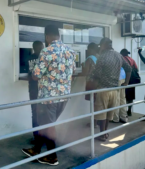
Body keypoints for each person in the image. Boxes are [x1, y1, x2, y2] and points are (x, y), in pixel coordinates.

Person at [22, 25, 76, 166]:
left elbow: (36, 76)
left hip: (48, 97)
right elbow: (73, 72)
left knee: (48, 125)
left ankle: (52, 157)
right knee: (45, 124)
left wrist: (34, 72)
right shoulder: (70, 51)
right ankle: (36, 149)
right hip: (64, 96)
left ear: (46, 37)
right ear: (58, 35)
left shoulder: (46, 51)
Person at [91, 38, 131, 141]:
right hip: (114, 89)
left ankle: (102, 134)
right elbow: (129, 68)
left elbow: (97, 75)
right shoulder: (118, 55)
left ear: (103, 45)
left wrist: (93, 89)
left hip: (103, 89)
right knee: (109, 113)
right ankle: (105, 132)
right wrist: (126, 82)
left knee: (101, 113)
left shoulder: (102, 57)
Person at [28, 41, 44, 140]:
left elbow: (28, 72)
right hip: (42, 87)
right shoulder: (43, 57)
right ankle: (41, 134)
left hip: (33, 87)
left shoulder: (29, 57)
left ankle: (36, 135)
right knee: (43, 112)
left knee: (34, 111)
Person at [81, 43, 99, 128]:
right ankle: (97, 121)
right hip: (98, 83)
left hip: (91, 83)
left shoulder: (89, 59)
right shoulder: (99, 57)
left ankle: (93, 122)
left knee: (93, 103)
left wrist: (82, 67)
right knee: (97, 103)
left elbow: (85, 73)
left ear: (91, 49)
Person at [120, 48, 139, 116]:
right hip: (132, 80)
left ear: (122, 53)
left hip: (125, 79)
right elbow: (136, 69)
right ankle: (129, 110)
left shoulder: (122, 59)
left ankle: (122, 112)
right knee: (130, 96)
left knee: (123, 95)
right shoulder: (132, 60)